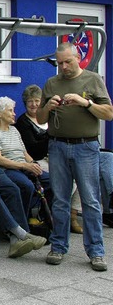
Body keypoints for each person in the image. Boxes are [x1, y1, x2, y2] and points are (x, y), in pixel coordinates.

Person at [38, 42, 113, 272]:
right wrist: (48, 107)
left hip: (86, 147)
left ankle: (96, 252)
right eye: (60, 63)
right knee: (60, 200)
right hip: (58, 147)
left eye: (68, 61)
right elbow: (41, 119)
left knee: (90, 200)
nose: (64, 67)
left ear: (78, 57)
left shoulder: (92, 80)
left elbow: (108, 114)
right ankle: (59, 246)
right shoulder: (52, 83)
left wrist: (86, 102)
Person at [15, 84, 83, 233]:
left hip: (58, 157)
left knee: (78, 175)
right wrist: (50, 135)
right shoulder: (23, 122)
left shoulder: (49, 118)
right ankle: (52, 214)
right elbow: (33, 149)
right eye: (30, 101)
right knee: (63, 179)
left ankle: (72, 216)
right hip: (38, 160)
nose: (34, 104)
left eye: (37, 101)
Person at [0, 121, 46, 258]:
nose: (14, 114)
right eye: (10, 110)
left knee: (12, 189)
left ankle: (17, 239)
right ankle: (22, 234)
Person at [0, 97, 53, 224]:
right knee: (26, 186)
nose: (14, 114)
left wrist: (33, 164)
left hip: (23, 166)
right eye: (10, 111)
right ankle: (21, 220)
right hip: (9, 168)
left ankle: (45, 217)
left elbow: (24, 153)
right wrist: (24, 166)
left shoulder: (14, 130)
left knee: (51, 181)